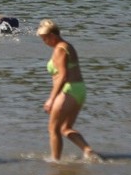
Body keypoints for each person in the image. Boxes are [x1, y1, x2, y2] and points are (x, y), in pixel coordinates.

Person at [37, 19, 101, 161]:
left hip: (68, 91)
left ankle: (55, 162)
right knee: (65, 128)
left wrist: (51, 99)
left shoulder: (60, 49)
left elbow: (62, 76)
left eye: (45, 38)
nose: (44, 42)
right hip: (79, 90)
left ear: (53, 36)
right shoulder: (67, 46)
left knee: (53, 129)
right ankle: (88, 150)